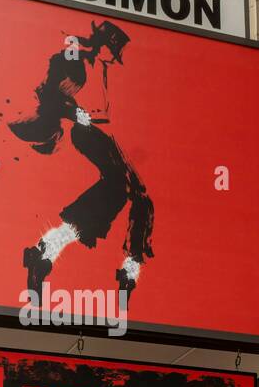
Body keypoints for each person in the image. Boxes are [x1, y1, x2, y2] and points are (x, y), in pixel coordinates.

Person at [8, 20, 154, 302]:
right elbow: (48, 94)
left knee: (137, 194)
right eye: (114, 51)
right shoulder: (76, 60)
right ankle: (125, 267)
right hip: (85, 131)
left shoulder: (102, 68)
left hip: (104, 134)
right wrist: (75, 114)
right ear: (104, 45)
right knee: (124, 188)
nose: (115, 58)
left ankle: (51, 252)